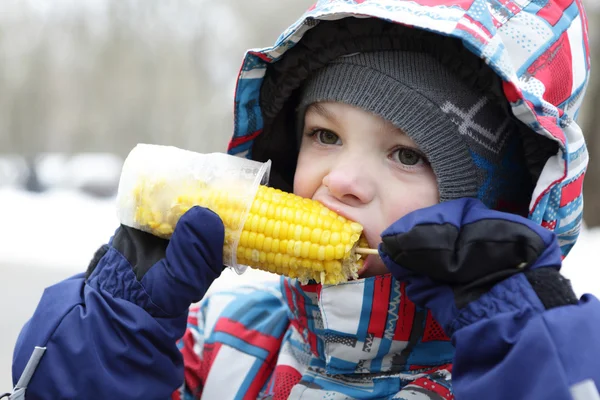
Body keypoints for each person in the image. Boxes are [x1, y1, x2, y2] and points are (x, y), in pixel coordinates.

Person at [9, 1, 600, 399]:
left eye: (407, 155)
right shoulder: (222, 340)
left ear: (496, 207)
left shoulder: (504, 372)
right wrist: (116, 327)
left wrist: (525, 335)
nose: (341, 180)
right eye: (325, 135)